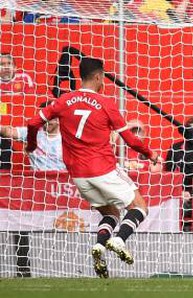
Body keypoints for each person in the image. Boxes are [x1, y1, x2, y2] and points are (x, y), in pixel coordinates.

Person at [25, 58, 159, 279]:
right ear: (98, 76)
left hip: (78, 176)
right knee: (140, 207)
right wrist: (150, 153)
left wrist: (31, 145)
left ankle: (99, 247)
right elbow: (130, 140)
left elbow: (32, 124)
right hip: (103, 168)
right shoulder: (106, 103)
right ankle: (119, 240)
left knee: (111, 213)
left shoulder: (63, 100)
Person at [0, 101, 66, 171]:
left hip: (60, 179)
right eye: (43, 118)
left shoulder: (68, 138)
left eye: (50, 118)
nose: (46, 122)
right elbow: (8, 132)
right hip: (37, 179)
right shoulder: (32, 132)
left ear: (58, 118)